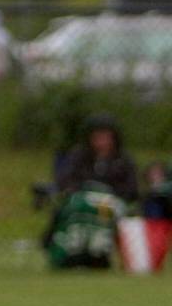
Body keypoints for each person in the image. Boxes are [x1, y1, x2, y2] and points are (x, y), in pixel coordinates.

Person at [44, 112, 139, 269]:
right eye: (97, 137)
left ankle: (98, 255)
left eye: (105, 137)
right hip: (82, 199)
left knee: (100, 210)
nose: (101, 141)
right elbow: (66, 180)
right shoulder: (79, 157)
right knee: (77, 208)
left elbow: (131, 189)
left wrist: (108, 193)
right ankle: (71, 254)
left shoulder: (123, 160)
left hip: (111, 203)